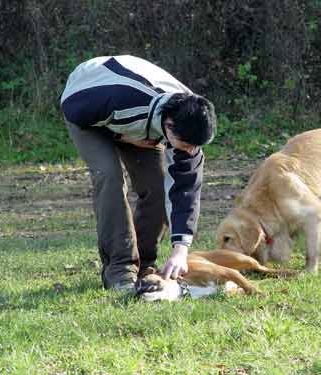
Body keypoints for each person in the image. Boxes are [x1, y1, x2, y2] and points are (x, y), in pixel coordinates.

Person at [60, 55, 217, 294]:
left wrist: (180, 251)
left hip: (140, 124)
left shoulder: (190, 123)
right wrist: (120, 136)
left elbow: (185, 191)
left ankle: (144, 264)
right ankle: (120, 269)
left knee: (157, 185)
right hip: (87, 106)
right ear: (169, 125)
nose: (190, 152)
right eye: (186, 145)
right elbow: (72, 107)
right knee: (110, 177)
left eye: (196, 146)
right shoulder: (121, 96)